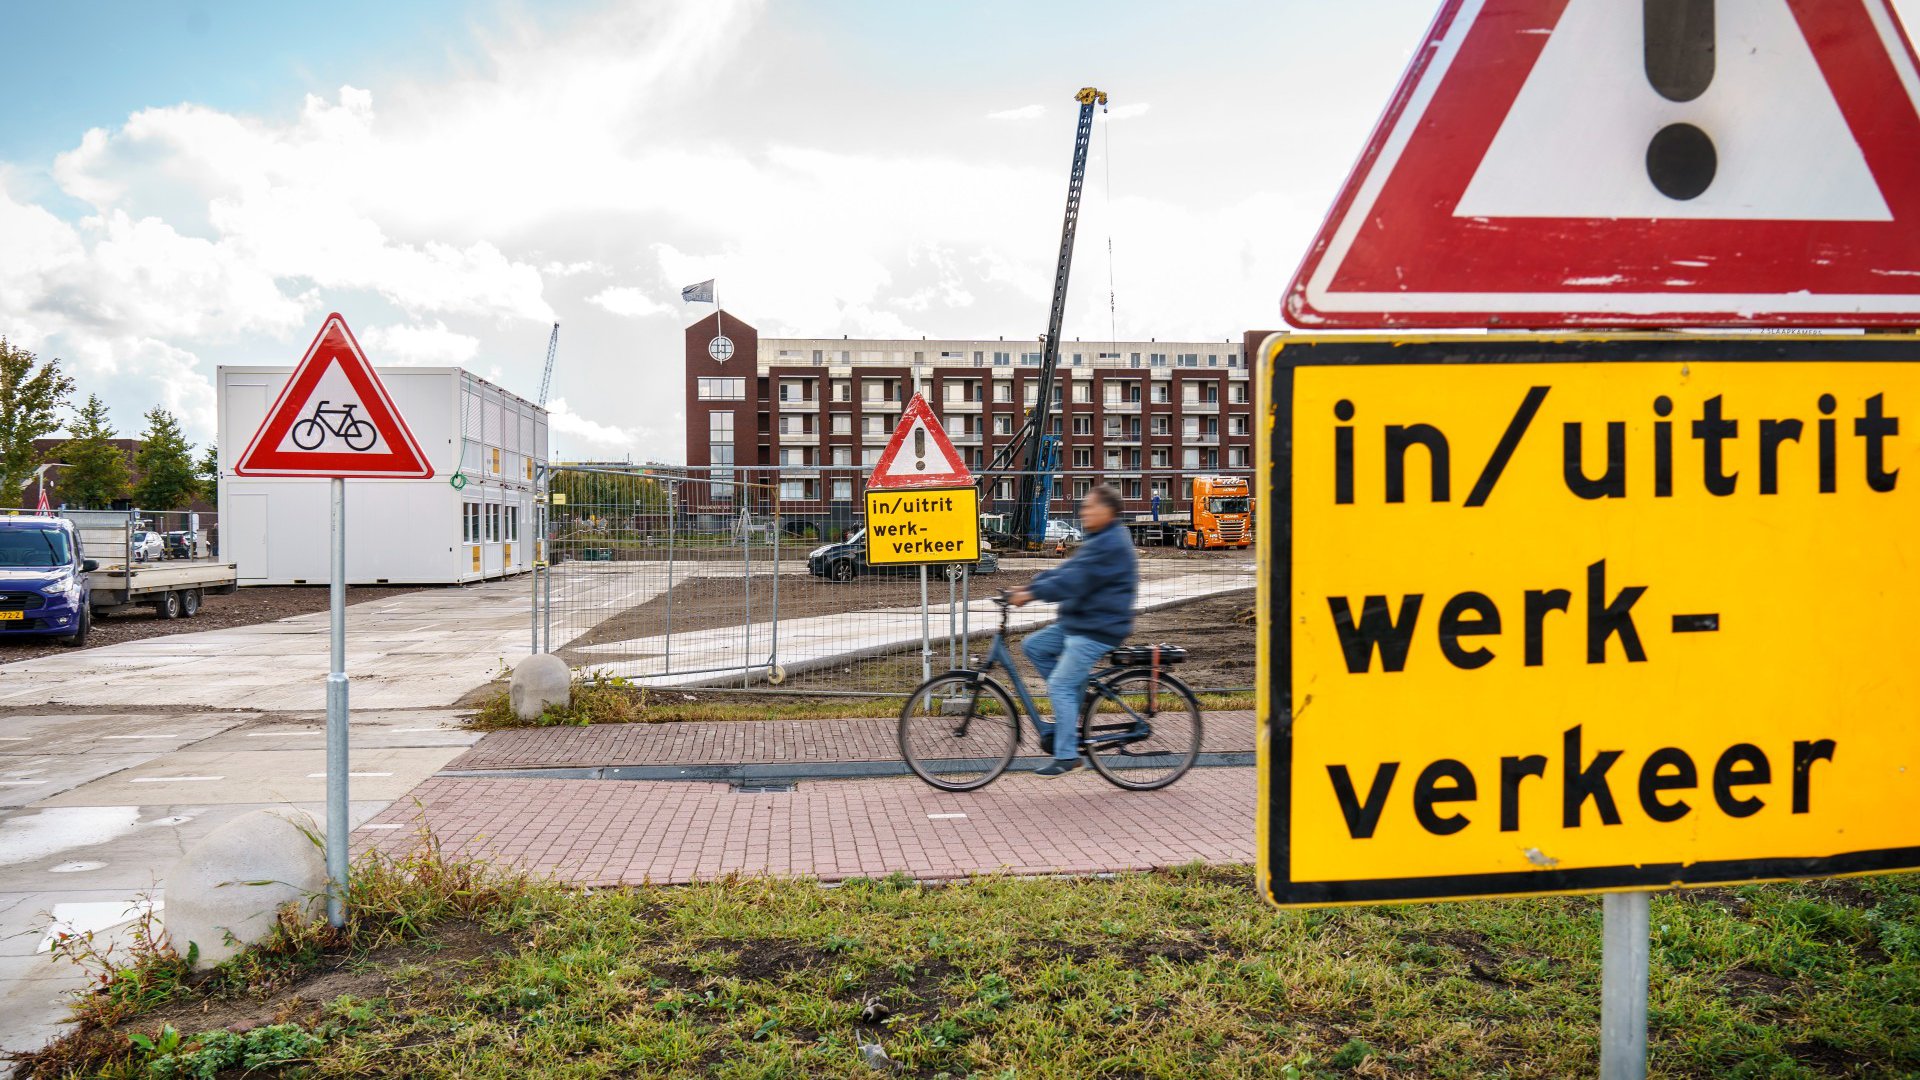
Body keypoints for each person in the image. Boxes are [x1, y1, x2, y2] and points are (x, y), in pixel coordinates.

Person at [1009, 485, 1138, 776]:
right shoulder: (1099, 539)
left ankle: (1068, 756)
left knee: (1059, 686)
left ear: (1107, 511)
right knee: (1034, 646)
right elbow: (1068, 571)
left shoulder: (1110, 544)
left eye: (1090, 507)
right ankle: (1073, 699)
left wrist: (1030, 595)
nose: (1084, 512)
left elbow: (1073, 582)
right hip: (1080, 622)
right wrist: (1031, 585)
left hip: (1098, 628)